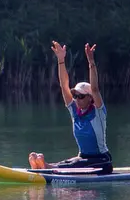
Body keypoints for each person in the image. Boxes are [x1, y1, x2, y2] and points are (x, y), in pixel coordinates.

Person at [29, 42, 112, 173]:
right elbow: (64, 85)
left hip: (102, 161)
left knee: (74, 164)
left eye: (81, 96)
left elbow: (95, 89)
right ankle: (46, 166)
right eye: (75, 96)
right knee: (69, 162)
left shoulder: (99, 113)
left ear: (90, 98)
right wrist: (61, 60)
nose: (77, 99)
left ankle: (47, 168)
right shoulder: (75, 111)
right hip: (82, 158)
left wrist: (91, 62)